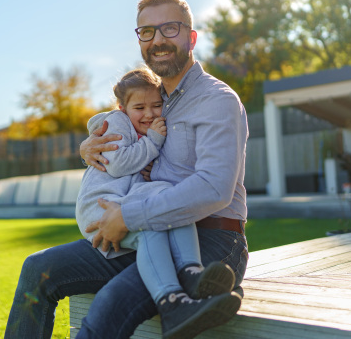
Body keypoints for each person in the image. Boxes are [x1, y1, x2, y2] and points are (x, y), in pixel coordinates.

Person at [4, 0, 249, 339]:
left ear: (191, 37)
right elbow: (115, 132)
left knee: (108, 308)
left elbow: (214, 188)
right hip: (148, 232)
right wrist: (89, 146)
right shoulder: (151, 100)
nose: (158, 40)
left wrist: (129, 217)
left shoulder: (216, 100)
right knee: (38, 269)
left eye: (170, 29)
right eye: (146, 32)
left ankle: (176, 300)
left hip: (209, 241)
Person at [75, 66, 238, 338]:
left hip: (123, 200)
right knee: (152, 221)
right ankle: (171, 300)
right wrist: (153, 143)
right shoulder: (116, 122)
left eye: (156, 105)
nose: (149, 113)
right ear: (122, 107)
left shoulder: (148, 124)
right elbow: (117, 164)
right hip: (101, 208)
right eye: (140, 107)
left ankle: (190, 272)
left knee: (169, 201)